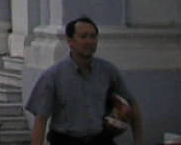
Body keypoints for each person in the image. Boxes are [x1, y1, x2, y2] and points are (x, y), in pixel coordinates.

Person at [27, 17, 141, 145]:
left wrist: (139, 141)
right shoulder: (53, 76)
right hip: (66, 140)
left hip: (99, 139)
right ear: (70, 41)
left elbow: (132, 103)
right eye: (83, 36)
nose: (89, 41)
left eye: (93, 36)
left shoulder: (107, 71)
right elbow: (41, 118)